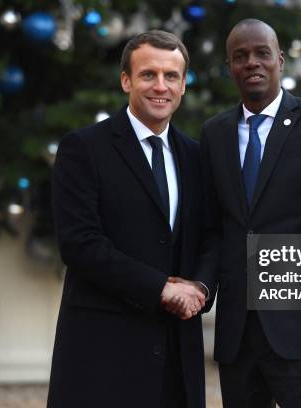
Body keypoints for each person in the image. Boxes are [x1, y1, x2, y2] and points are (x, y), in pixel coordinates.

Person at [194, 19, 301, 408]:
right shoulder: (215, 134)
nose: (251, 62)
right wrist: (200, 289)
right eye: (240, 56)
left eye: (261, 53)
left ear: (280, 60)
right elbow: (215, 229)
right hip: (237, 337)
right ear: (229, 67)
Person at [47, 30, 210, 408]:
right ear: (126, 80)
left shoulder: (196, 157)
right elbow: (80, 244)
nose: (160, 86)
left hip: (176, 355)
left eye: (171, 76)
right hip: (103, 353)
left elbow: (211, 235)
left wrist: (200, 287)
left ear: (184, 85)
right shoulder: (84, 148)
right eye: (148, 74)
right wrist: (160, 288)